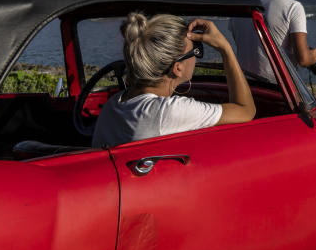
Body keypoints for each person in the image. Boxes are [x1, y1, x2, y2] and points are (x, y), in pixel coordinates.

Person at [92, 13, 255, 148]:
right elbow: (246, 110)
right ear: (177, 68)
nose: (197, 58)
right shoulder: (168, 112)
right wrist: (225, 49)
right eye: (196, 51)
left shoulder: (112, 105)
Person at [231, 0, 316, 82]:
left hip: (243, 85)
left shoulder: (241, 5)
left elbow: (246, 44)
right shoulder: (293, 7)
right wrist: (312, 57)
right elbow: (303, 59)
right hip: (277, 89)